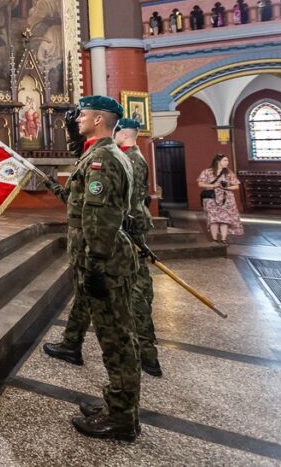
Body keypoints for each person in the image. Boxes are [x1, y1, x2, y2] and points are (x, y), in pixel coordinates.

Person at [41, 95, 141, 441]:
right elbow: (82, 199)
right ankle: (118, 405)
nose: (77, 118)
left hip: (105, 260)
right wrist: (71, 135)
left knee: (116, 340)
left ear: (99, 119)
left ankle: (122, 418)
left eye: (82, 115)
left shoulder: (103, 161)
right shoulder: (103, 153)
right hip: (104, 257)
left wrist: (96, 264)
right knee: (113, 335)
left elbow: (101, 216)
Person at [115, 119, 161, 377]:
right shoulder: (132, 156)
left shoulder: (131, 159)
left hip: (130, 229)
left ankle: (146, 350)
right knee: (138, 283)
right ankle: (144, 347)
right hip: (132, 226)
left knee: (137, 287)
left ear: (124, 133)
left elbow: (129, 201)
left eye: (116, 132)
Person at [197, 154, 243, 244]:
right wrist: (213, 185)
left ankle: (223, 239)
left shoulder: (229, 173)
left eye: (227, 160)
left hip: (226, 199)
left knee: (224, 219)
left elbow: (236, 186)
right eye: (225, 160)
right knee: (213, 219)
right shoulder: (207, 172)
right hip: (211, 198)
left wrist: (226, 187)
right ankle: (214, 239)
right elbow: (200, 184)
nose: (227, 162)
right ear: (218, 161)